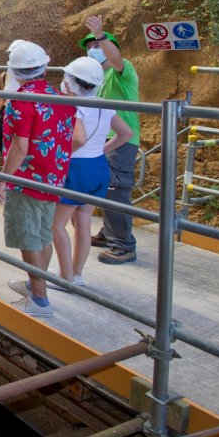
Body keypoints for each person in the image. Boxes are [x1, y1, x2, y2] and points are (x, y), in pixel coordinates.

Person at [0, 41, 75, 318]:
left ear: (14, 71)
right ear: (45, 67)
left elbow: (20, 147)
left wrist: (2, 179)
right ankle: (35, 284)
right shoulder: (59, 96)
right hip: (52, 177)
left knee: (28, 237)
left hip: (26, 178)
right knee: (42, 233)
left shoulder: (20, 99)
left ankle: (40, 300)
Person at [51, 57, 134, 288]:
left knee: (56, 225)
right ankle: (76, 275)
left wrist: (62, 156)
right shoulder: (103, 104)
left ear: (71, 82)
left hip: (76, 168)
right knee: (83, 222)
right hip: (98, 166)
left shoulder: (74, 105)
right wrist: (101, 150)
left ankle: (64, 277)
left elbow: (78, 138)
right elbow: (125, 133)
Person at [79, 16, 142, 265]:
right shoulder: (96, 79)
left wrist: (101, 35)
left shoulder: (122, 70)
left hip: (122, 139)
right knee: (106, 187)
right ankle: (109, 233)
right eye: (90, 46)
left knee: (117, 189)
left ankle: (123, 245)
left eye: (98, 46)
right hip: (102, 138)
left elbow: (115, 59)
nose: (93, 49)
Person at [0, 39, 25, 154]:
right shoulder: (4, 76)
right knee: (4, 146)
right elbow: (3, 95)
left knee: (19, 146)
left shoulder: (30, 77)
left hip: (22, 113)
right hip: (6, 112)